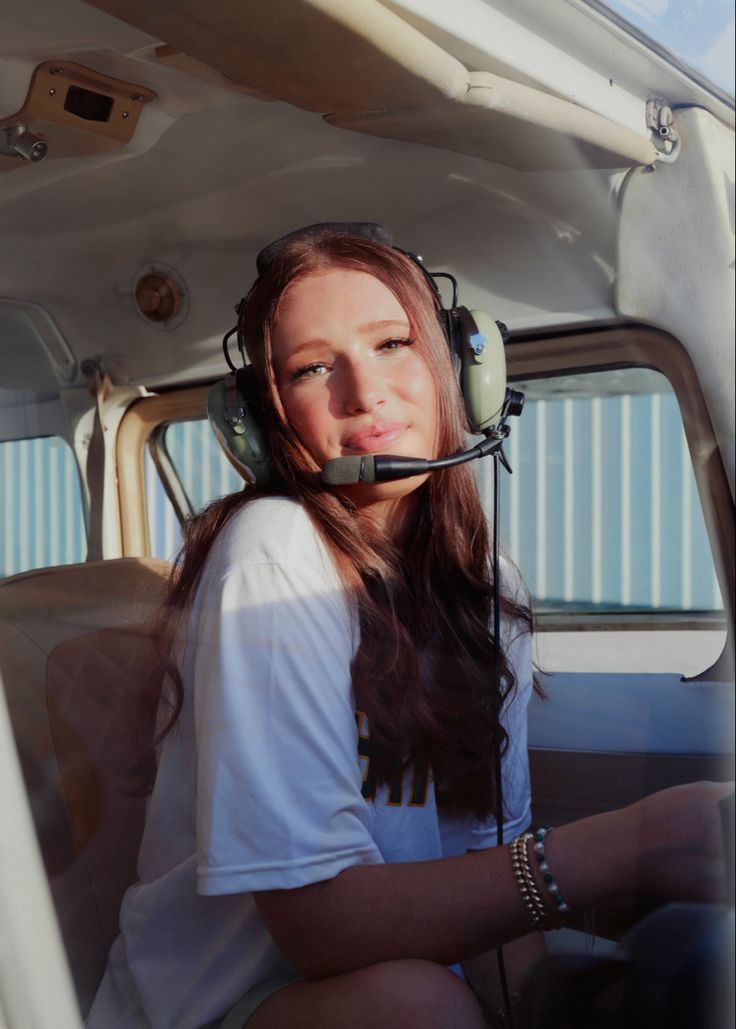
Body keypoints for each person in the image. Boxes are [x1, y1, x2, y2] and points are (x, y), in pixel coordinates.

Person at [87, 223, 730, 1029]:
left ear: (459, 367)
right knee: (421, 1006)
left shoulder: (485, 591)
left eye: (392, 342)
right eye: (313, 367)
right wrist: (624, 845)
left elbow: (487, 890)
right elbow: (321, 926)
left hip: (400, 980)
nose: (363, 392)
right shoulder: (273, 556)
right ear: (266, 415)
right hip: (212, 1007)